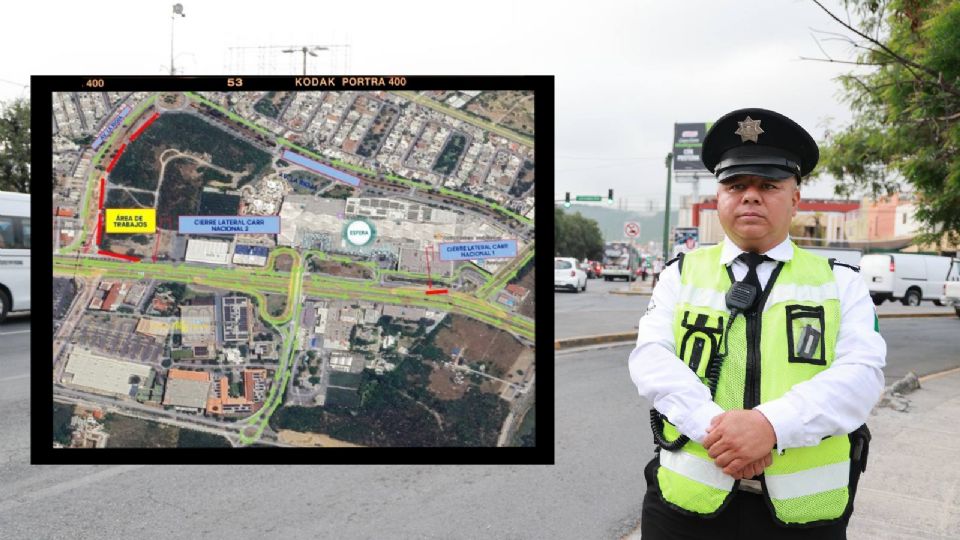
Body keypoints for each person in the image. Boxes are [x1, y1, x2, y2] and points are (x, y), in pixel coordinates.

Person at [628, 108, 886, 539]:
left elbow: (862, 375)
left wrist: (771, 426)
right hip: (684, 508)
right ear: (719, 198)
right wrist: (720, 432)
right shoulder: (680, 274)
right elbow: (651, 360)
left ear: (795, 198)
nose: (750, 196)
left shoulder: (841, 283)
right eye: (736, 185)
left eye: (768, 185)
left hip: (804, 516)